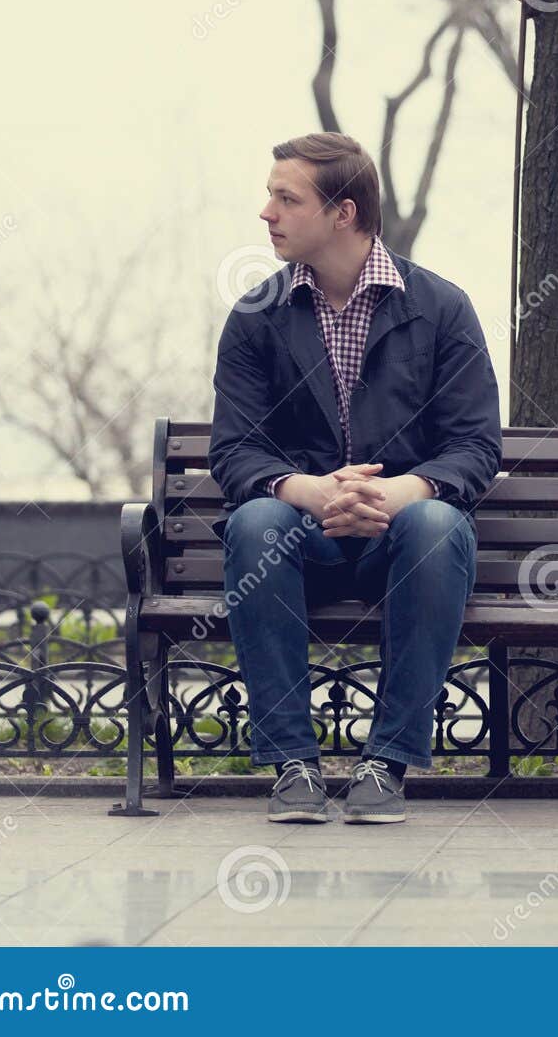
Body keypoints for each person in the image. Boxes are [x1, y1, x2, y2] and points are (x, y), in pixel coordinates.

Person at [210, 131, 502, 825]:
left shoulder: (441, 309)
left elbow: (474, 445)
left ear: (342, 213)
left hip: (398, 543)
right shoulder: (257, 318)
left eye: (287, 198)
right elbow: (236, 450)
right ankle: (294, 766)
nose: (266, 212)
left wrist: (400, 492)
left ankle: (386, 763)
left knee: (436, 523)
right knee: (255, 520)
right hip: (297, 545)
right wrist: (308, 491)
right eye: (270, 195)